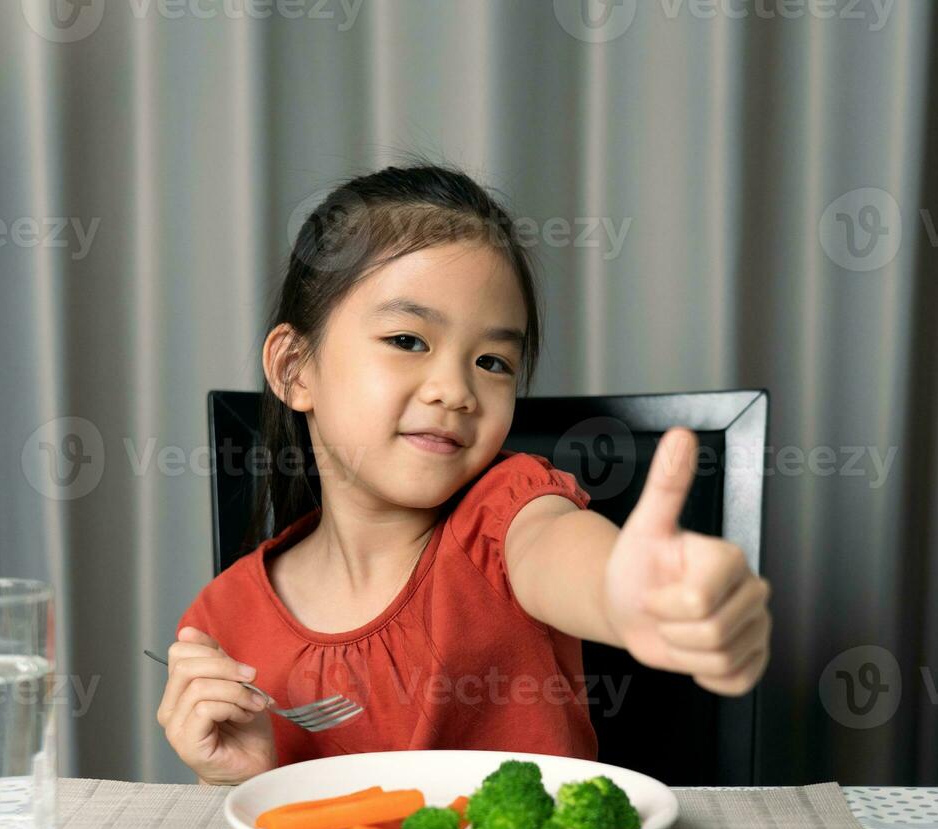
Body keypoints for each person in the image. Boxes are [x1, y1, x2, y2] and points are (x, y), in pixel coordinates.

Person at [157, 162, 772, 785]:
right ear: (295, 368)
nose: (456, 390)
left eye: (492, 361)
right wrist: (236, 778)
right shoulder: (221, 619)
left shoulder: (508, 511)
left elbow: (560, 554)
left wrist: (631, 592)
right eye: (407, 340)